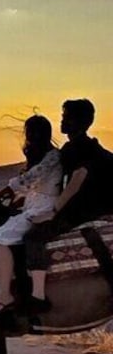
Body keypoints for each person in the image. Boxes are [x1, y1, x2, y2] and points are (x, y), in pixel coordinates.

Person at [23, 99, 113, 313]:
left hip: (85, 210)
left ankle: (37, 297)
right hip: (87, 207)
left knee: (33, 238)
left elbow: (76, 180)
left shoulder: (80, 149)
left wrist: (53, 213)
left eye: (66, 117)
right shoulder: (80, 147)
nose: (62, 121)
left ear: (78, 122)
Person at [0, 115, 61, 315]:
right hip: (34, 204)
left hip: (42, 207)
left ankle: (4, 296)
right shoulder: (45, 156)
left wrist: (2, 193)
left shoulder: (52, 157)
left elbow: (30, 178)